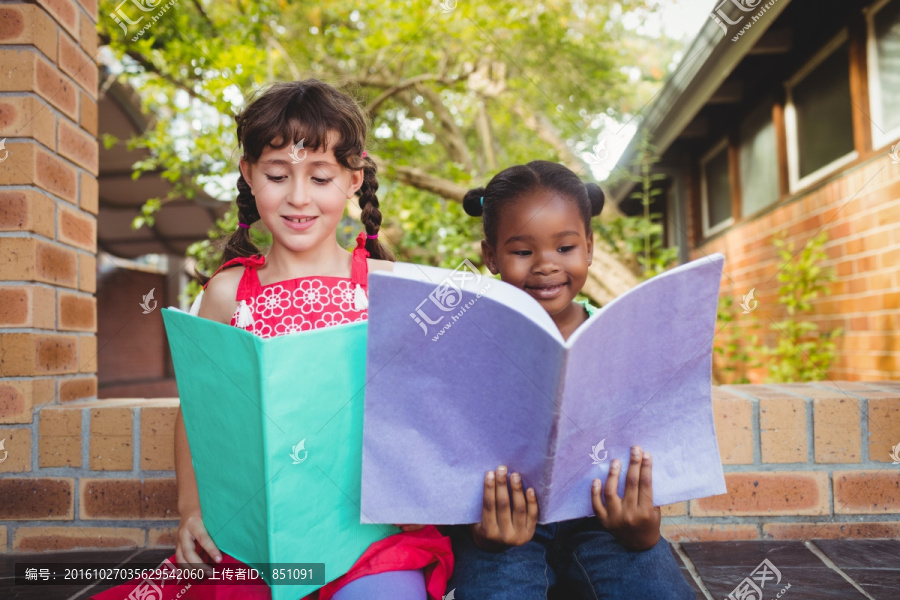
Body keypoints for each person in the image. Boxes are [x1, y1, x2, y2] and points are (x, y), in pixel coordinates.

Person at [91, 79, 452, 600]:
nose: (298, 197)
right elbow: (198, 412)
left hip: (367, 539)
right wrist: (191, 510)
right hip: (252, 537)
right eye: (278, 176)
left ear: (353, 181)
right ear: (250, 176)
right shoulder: (228, 293)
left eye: (321, 177)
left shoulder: (387, 289)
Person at [447, 160, 695, 599]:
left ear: (590, 247)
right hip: (506, 525)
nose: (545, 266)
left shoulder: (623, 339)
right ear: (490, 256)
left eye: (565, 248)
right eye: (522, 252)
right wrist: (480, 532)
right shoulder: (467, 343)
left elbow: (649, 435)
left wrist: (643, 530)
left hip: (604, 520)